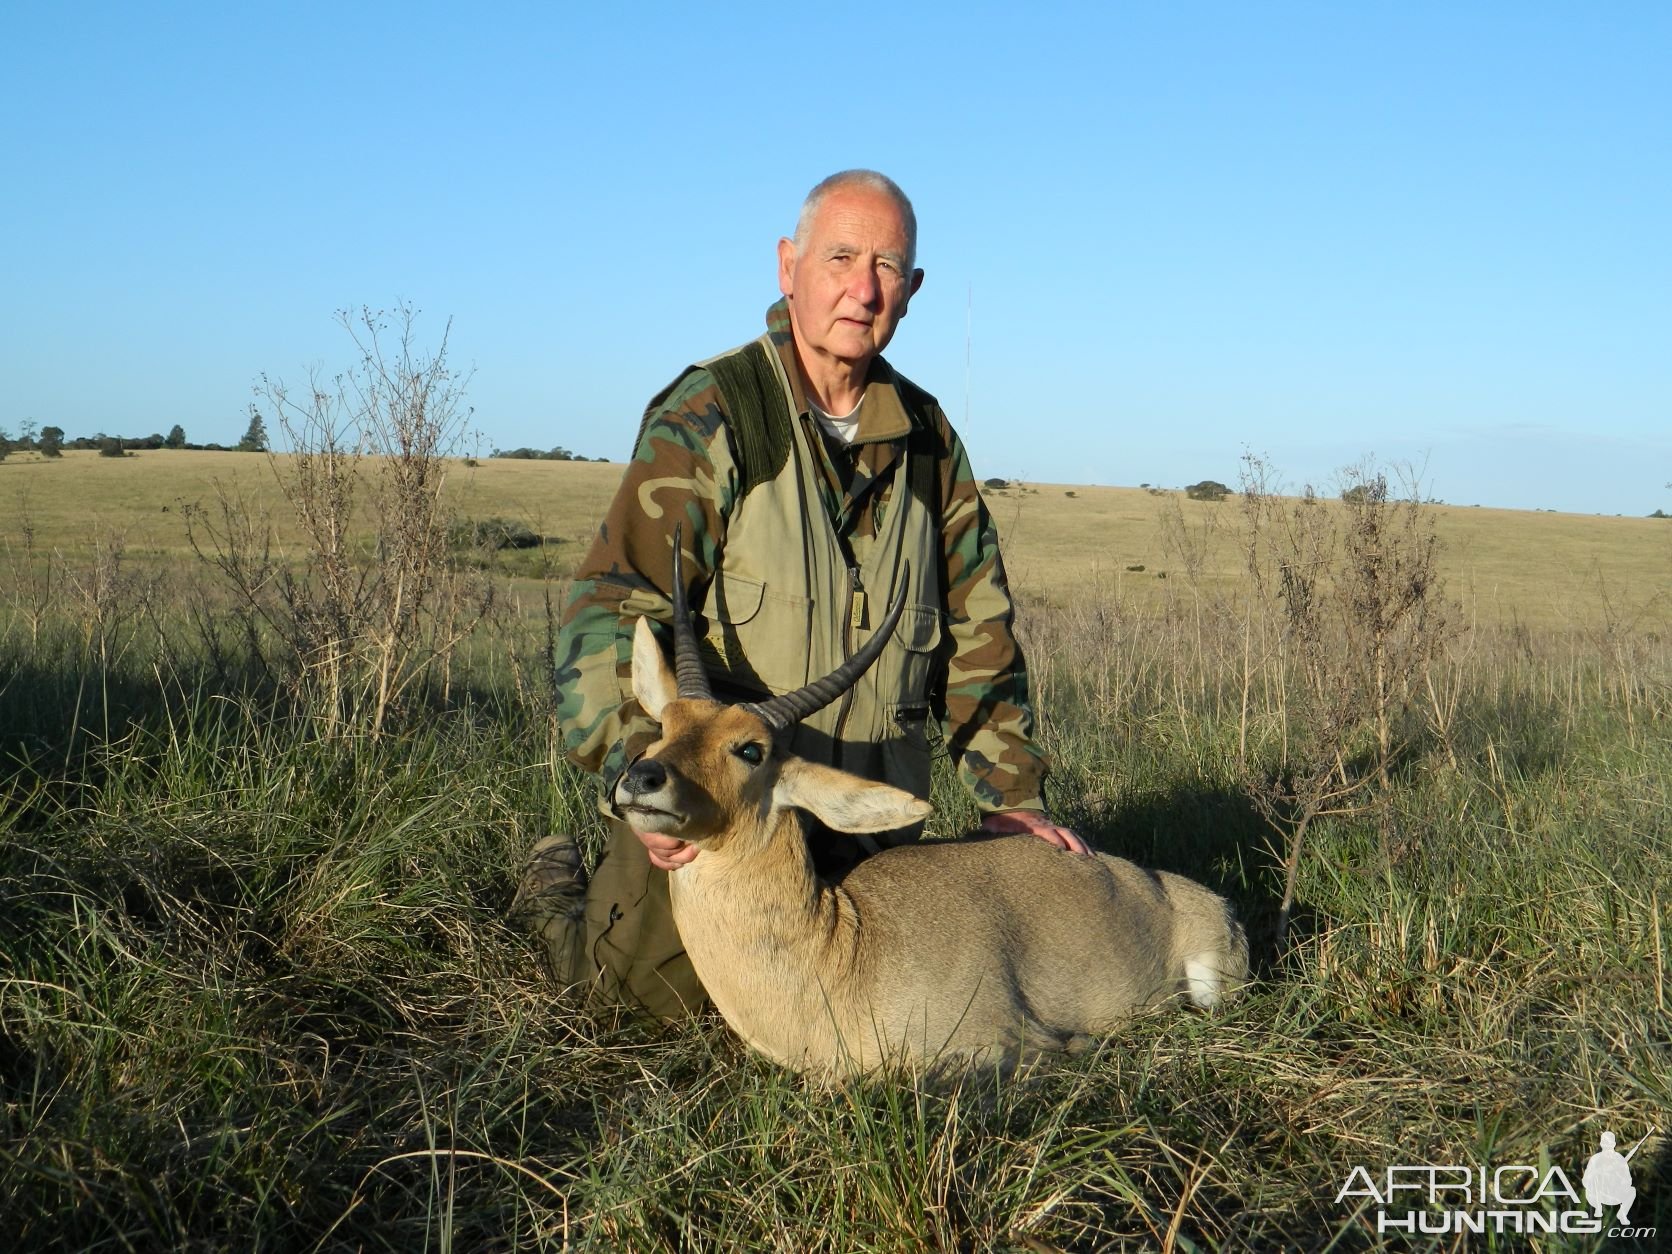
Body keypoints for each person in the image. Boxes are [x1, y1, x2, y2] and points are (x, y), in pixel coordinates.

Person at [513, 170, 1086, 1019]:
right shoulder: (715, 412)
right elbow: (610, 609)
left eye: (888, 266)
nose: (863, 288)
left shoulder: (929, 441)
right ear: (789, 267)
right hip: (725, 809)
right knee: (640, 998)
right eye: (841, 257)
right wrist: (649, 768)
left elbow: (979, 631)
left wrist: (1013, 804)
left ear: (912, 290)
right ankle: (552, 883)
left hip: (866, 826)